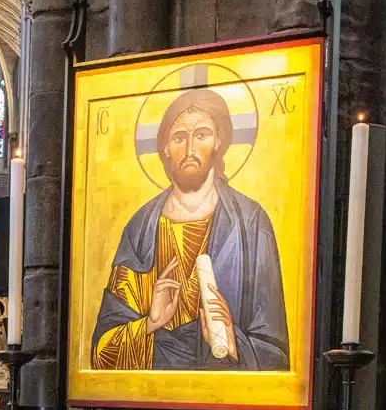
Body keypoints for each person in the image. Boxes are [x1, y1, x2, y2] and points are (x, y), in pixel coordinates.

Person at [91, 87, 289, 371]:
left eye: (202, 135)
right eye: (179, 137)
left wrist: (234, 343)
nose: (190, 149)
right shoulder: (141, 228)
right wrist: (150, 323)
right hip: (153, 395)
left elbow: (276, 352)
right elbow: (101, 353)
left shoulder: (251, 223)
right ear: (165, 148)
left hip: (226, 402)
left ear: (219, 140)